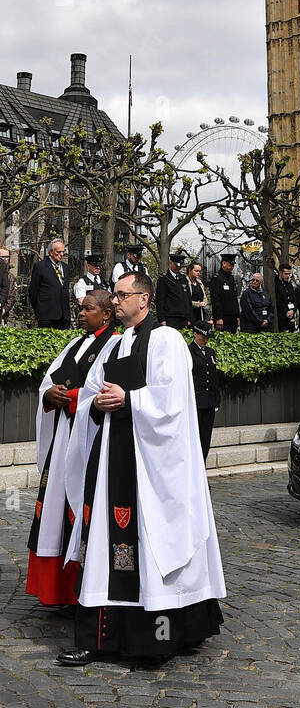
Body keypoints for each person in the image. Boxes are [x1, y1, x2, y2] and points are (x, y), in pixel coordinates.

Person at [58, 271, 225, 667]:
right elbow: (91, 394)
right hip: (112, 461)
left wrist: (129, 399)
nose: (115, 302)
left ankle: (160, 639)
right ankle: (98, 639)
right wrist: (96, 403)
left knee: (151, 544)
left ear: (144, 300)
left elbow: (173, 400)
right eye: (113, 296)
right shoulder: (113, 345)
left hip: (150, 465)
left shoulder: (166, 339)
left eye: (121, 295)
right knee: (104, 546)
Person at [25, 290, 118, 609]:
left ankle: (83, 591)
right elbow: (48, 382)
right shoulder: (75, 344)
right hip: (64, 434)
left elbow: (108, 389)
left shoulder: (116, 344)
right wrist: (49, 395)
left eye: (88, 309)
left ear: (106, 314)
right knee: (56, 509)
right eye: (80, 308)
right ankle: (57, 591)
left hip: (92, 438)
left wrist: (78, 397)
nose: (80, 313)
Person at [189, 321, 220, 461]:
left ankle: (203, 471)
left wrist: (216, 400)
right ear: (195, 334)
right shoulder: (188, 351)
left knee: (206, 438)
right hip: (196, 401)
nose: (205, 340)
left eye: (207, 338)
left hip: (209, 402)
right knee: (195, 439)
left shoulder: (210, 352)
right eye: (203, 337)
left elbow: (214, 377)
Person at [29, 238, 71, 329]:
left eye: (63, 252)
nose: (61, 255)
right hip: (46, 315)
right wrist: (39, 309)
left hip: (64, 316)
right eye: (58, 252)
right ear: (51, 252)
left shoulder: (65, 268)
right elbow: (33, 291)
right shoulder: (40, 266)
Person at [155, 250, 193, 330]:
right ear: (171, 263)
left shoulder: (183, 279)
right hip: (170, 317)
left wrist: (189, 317)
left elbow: (188, 299)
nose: (178, 267)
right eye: (176, 265)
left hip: (183, 317)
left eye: (180, 265)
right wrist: (162, 319)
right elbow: (160, 301)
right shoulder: (164, 279)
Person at [209, 253, 240, 334]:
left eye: (233, 265)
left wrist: (237, 316)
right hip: (223, 318)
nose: (232, 267)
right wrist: (219, 318)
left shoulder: (231, 278)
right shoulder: (217, 278)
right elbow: (215, 300)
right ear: (224, 263)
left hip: (232, 317)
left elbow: (234, 298)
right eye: (230, 264)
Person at [274, 264, 297, 332]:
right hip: (281, 318)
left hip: (291, 316)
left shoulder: (289, 284)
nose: (288, 276)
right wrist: (287, 312)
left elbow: (294, 299)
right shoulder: (275, 284)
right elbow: (278, 301)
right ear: (280, 272)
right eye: (286, 274)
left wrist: (293, 310)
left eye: (289, 274)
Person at [0, 246, 15, 324]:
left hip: (3, 315)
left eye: (7, 257)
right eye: (3, 257)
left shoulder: (10, 277)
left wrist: (4, 309)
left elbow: (12, 296)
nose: (5, 259)